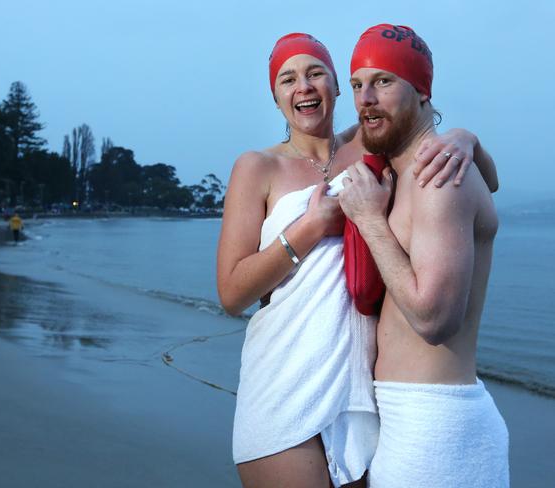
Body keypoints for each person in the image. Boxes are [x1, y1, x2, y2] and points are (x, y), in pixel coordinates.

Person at [217, 33, 499, 488]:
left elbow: (486, 183)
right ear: (276, 97)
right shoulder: (256, 167)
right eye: (288, 79)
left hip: (360, 395)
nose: (303, 86)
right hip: (285, 380)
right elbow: (231, 294)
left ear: (333, 87)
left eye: (315, 74)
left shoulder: (370, 149)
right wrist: (307, 230)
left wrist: (465, 141)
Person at [338, 24, 509, 487]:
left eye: (384, 81)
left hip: (433, 425)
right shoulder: (420, 165)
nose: (365, 97)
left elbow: (435, 320)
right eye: (356, 85)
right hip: (410, 418)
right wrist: (468, 139)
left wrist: (369, 220)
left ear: (422, 91)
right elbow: (488, 185)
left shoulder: (436, 175)